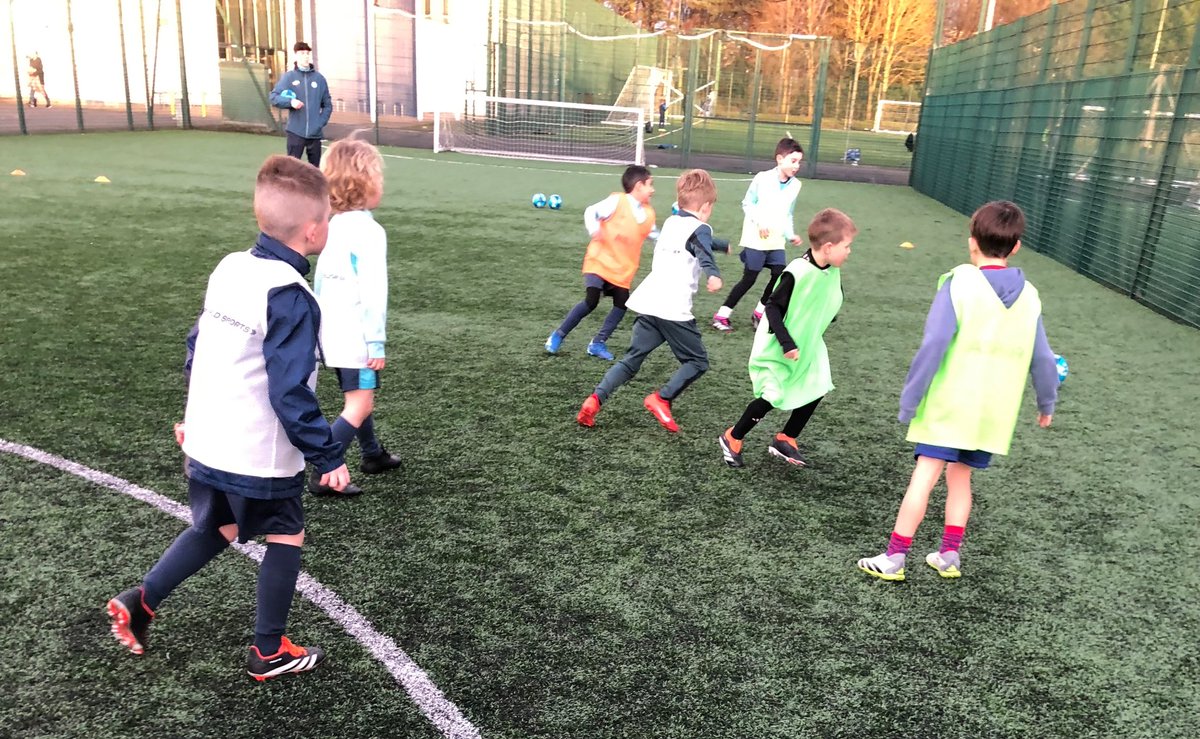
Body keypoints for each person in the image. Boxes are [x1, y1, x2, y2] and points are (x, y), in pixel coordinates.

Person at [106, 155, 350, 680]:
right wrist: (327, 454)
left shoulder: (230, 267)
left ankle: (141, 601)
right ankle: (268, 652)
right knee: (286, 534)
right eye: (328, 219)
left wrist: (194, 415)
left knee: (218, 523)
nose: (328, 226)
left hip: (208, 439)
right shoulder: (293, 296)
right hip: (254, 449)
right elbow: (290, 391)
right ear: (312, 230)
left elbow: (199, 347)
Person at [857, 201, 1059, 582]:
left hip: (950, 406)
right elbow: (1044, 358)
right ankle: (949, 554)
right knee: (961, 477)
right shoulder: (1030, 294)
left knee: (925, 475)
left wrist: (910, 399)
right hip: (993, 414)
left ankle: (895, 557)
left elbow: (934, 343)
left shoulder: (959, 282)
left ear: (971, 242)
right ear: (1016, 246)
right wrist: (1047, 402)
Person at [576, 169, 724, 432]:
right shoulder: (702, 228)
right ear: (706, 206)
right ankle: (662, 398)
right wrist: (713, 276)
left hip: (649, 300)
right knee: (697, 362)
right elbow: (702, 250)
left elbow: (694, 241)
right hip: (673, 308)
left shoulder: (671, 222)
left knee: (632, 358)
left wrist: (721, 244)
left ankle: (595, 399)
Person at [718, 208, 857, 468]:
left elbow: (824, 300)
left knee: (817, 386)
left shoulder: (830, 270)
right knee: (773, 394)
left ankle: (786, 438)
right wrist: (787, 343)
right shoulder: (797, 271)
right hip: (780, 344)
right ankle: (733, 437)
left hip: (809, 344)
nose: (849, 251)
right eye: (847, 246)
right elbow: (772, 308)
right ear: (828, 247)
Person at [308, 139, 403, 496]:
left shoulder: (329, 226)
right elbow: (373, 291)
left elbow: (320, 284)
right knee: (360, 402)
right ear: (364, 183)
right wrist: (375, 341)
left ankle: (372, 454)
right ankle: (323, 469)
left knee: (358, 397)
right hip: (356, 337)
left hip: (329, 333)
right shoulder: (370, 232)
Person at [545, 165, 656, 361]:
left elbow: (655, 235)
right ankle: (558, 335)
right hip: (599, 261)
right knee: (591, 300)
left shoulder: (648, 214)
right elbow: (591, 211)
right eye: (650, 185)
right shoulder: (617, 201)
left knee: (622, 304)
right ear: (638, 186)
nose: (653, 190)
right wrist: (594, 229)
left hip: (622, 269)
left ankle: (597, 343)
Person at [712, 138, 805, 332]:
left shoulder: (796, 185)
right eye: (793, 161)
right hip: (756, 238)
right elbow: (748, 203)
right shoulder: (762, 178)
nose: (797, 166)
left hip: (776, 240)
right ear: (780, 159)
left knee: (780, 275)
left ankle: (760, 312)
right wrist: (760, 223)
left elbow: (788, 213)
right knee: (750, 278)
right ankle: (722, 315)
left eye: (799, 162)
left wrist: (790, 234)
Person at [270, 42, 332, 167]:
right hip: (295, 132)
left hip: (315, 135)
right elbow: (274, 97)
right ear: (296, 56)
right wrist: (290, 102)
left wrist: (319, 123)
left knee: (315, 170)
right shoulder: (289, 77)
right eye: (302, 53)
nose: (305, 56)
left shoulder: (319, 79)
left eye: (307, 53)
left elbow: (327, 105)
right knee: (291, 169)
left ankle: (313, 187)